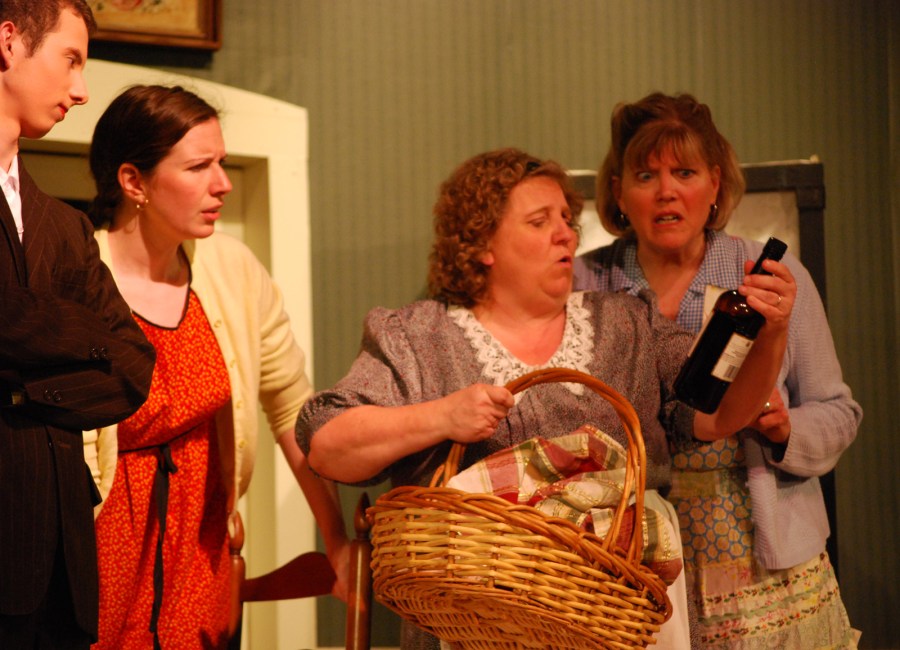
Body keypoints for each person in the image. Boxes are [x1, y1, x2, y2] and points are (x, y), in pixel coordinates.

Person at [297, 147, 798, 650]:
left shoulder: (626, 322)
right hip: (474, 624)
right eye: (540, 222)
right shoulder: (419, 337)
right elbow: (327, 447)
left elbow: (716, 416)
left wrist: (772, 332)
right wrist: (441, 417)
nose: (566, 234)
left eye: (566, 220)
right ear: (481, 244)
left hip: (618, 616)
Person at [574, 92, 861, 648]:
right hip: (629, 568)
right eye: (645, 175)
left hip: (766, 568)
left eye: (684, 172)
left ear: (715, 185)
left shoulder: (767, 276)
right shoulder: (584, 283)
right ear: (619, 193)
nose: (666, 191)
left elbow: (839, 411)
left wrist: (785, 430)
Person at [82, 84, 350, 649]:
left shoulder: (232, 269)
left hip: (198, 556)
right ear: (133, 181)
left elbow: (293, 411)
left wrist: (337, 539)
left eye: (221, 162)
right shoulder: (78, 274)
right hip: (97, 555)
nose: (222, 183)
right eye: (199, 166)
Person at [0, 2, 156, 648]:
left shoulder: (64, 225)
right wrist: (74, 337)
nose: (82, 89)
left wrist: (18, 391)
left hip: (59, 564)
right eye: (71, 60)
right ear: (9, 41)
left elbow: (133, 365)